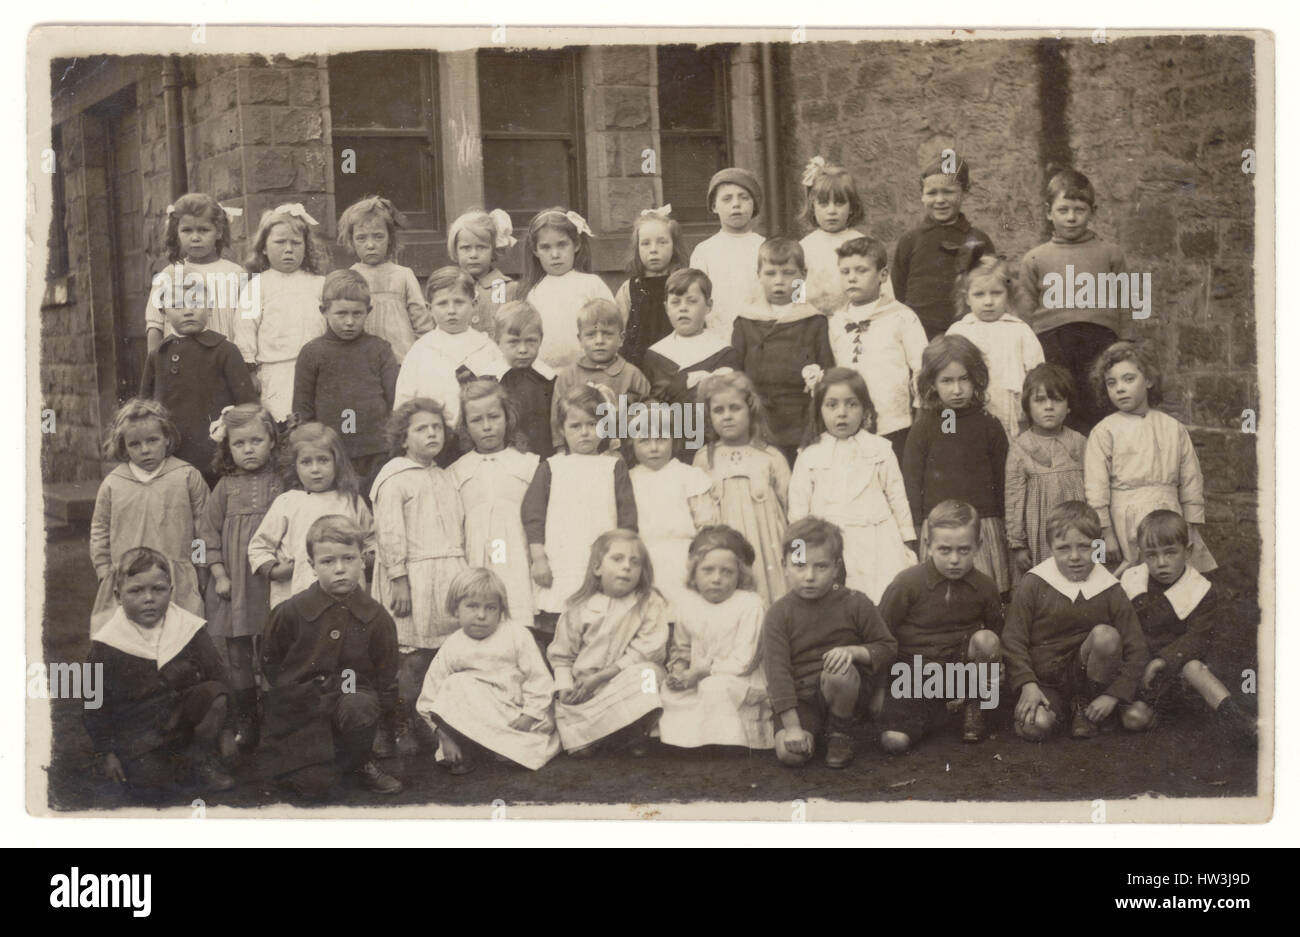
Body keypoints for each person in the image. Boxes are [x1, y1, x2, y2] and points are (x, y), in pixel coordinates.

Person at [257, 515, 402, 796]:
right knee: (315, 787)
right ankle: (312, 762)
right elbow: (270, 662)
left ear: (363, 560)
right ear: (312, 566)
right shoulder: (291, 612)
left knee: (359, 703)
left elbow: (385, 673)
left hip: (351, 702)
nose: (340, 569)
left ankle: (360, 760)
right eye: (327, 562)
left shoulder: (376, 617)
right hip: (301, 711)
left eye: (348, 559)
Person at [84, 548, 235, 792]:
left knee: (215, 693)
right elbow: (93, 704)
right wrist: (106, 752)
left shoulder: (188, 627)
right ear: (118, 596)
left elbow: (220, 677)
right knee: (154, 789)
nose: (148, 598)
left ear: (171, 591)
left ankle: (200, 758)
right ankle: (164, 765)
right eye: (136, 590)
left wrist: (227, 730)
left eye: (158, 589)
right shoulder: (106, 642)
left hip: (180, 719)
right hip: (137, 732)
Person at [369, 398, 468, 755]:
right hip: (413, 577)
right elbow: (390, 532)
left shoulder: (444, 475)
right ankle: (400, 724)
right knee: (410, 656)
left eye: (437, 427)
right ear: (403, 438)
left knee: (440, 654)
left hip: (446, 574)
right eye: (421, 428)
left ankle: (436, 723)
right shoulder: (395, 478)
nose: (431, 434)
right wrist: (399, 578)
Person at [1003, 501, 1148, 741]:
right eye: (1063, 548)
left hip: (1090, 684)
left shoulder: (1109, 588)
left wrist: (1113, 694)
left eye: (1084, 547)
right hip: (1045, 681)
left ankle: (1089, 708)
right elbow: (1012, 640)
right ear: (1050, 547)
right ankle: (1060, 713)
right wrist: (1027, 684)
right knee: (1035, 726)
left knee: (1106, 636)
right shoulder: (1034, 583)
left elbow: (1137, 648)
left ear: (1098, 545)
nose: (1075, 557)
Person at [764, 517, 896, 769]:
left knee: (839, 670)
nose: (809, 576)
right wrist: (792, 728)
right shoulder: (778, 614)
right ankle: (811, 731)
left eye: (821, 566)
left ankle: (840, 733)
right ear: (784, 565)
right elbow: (777, 673)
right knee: (790, 756)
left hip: (845, 693)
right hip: (802, 699)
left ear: (836, 568)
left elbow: (887, 647)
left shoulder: (856, 602)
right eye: (799, 566)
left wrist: (854, 652)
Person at [1119, 510, 1256, 749]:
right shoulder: (1132, 581)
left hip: (1178, 668)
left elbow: (1198, 637)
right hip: (1138, 668)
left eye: (1170, 553)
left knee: (1193, 666)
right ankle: (1157, 711)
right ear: (1141, 555)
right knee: (1134, 720)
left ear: (1188, 552)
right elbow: (1122, 628)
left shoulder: (1200, 589)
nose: (1161, 563)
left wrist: (1163, 660)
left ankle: (1233, 717)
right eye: (1152, 556)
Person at [877, 500, 1004, 751]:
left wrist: (993, 674)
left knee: (986, 640)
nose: (954, 560)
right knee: (894, 742)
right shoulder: (907, 583)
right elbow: (881, 634)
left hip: (961, 673)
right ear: (928, 546)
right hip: (913, 675)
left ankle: (973, 705)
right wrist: (879, 690)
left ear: (978, 546)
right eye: (945, 550)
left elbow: (999, 634)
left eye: (964, 550)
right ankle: (931, 713)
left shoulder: (985, 587)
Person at [1084, 340, 1217, 575]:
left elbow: (1190, 479)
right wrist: (1107, 533)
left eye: (1128, 379)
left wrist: (1190, 523)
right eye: (1111, 383)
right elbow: (1096, 488)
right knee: (1135, 579)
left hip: (1170, 514)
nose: (1120, 388)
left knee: (1176, 577)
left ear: (1148, 381)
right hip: (1126, 519)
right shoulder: (1104, 431)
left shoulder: (1172, 428)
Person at [1019, 167, 1136, 432]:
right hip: (1053, 346)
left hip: (1100, 345)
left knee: (1100, 409)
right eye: (1063, 210)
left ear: (1092, 212)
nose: (1071, 217)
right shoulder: (1035, 258)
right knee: (1060, 408)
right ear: (1049, 212)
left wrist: (1125, 344)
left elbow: (1127, 302)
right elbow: (1025, 313)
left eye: (1079, 210)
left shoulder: (1111, 254)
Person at [522, 385, 637, 648]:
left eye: (592, 424)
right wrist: (538, 558)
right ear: (562, 430)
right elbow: (533, 515)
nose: (585, 432)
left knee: (600, 627)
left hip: (601, 564)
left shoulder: (613, 466)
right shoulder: (551, 467)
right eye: (575, 426)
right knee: (559, 630)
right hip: (561, 561)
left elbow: (627, 519)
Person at [790, 366, 916, 603]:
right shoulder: (809, 455)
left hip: (878, 539)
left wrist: (907, 541)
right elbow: (798, 509)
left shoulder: (880, 449)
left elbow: (897, 496)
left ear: (865, 409)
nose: (842, 413)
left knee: (884, 597)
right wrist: (800, 553)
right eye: (832, 405)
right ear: (819, 410)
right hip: (832, 544)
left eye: (852, 404)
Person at [415, 568, 561, 773]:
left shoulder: (516, 635)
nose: (481, 615)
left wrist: (530, 715)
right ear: (455, 608)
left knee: (519, 747)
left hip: (516, 714)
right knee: (456, 684)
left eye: (490, 608)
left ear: (501, 610)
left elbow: (539, 679)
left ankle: (501, 746)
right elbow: (429, 697)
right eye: (472, 606)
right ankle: (464, 746)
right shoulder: (453, 645)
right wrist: (444, 737)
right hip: (477, 714)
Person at [197, 403, 283, 749]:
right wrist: (218, 573)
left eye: (256, 441)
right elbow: (206, 534)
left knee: (272, 647)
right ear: (228, 448)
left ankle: (275, 715)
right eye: (240, 443)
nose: (248, 449)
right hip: (234, 582)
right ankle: (246, 717)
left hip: (271, 580)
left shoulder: (282, 484)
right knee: (237, 652)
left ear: (273, 441)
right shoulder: (225, 487)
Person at [902, 334, 1012, 593]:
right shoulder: (923, 429)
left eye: (964, 379)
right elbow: (911, 480)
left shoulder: (990, 425)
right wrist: (919, 527)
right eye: (947, 381)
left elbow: (1004, 478)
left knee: (985, 591)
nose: (957, 389)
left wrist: (1005, 522)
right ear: (932, 384)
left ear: (976, 379)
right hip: (939, 528)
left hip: (984, 524)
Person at [548, 530, 670, 757]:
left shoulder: (649, 602)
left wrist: (603, 676)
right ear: (597, 568)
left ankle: (631, 732)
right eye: (617, 559)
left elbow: (647, 649)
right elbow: (562, 656)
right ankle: (600, 735)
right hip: (587, 687)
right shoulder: (578, 607)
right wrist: (565, 687)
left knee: (647, 675)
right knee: (566, 708)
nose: (627, 567)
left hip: (624, 680)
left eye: (635, 562)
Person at [90, 400, 208, 632]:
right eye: (135, 444)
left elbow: (202, 527)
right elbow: (100, 529)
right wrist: (104, 571)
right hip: (129, 579)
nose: (145, 450)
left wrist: (199, 568)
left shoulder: (186, 476)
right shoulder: (114, 483)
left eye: (152, 440)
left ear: (166, 438)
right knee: (130, 645)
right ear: (124, 447)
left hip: (176, 579)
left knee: (179, 642)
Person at [658, 526, 773, 750]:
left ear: (740, 575)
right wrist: (679, 671)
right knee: (669, 690)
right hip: (697, 677)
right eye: (707, 570)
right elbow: (681, 649)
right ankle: (689, 741)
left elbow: (745, 661)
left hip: (740, 679)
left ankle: (725, 741)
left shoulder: (749, 604)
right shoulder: (687, 604)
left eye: (727, 572)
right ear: (694, 573)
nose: (717, 579)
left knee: (714, 688)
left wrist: (700, 672)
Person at [140, 277, 258, 489]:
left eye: (196, 302)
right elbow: (144, 408)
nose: (188, 311)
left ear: (210, 308)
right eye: (177, 305)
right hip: (172, 457)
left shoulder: (225, 351)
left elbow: (247, 404)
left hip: (215, 455)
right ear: (164, 313)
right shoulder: (158, 355)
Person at [292, 269, 398, 497]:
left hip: (376, 452)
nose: (349, 322)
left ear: (368, 312)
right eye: (341, 314)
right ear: (324, 311)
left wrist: (391, 445)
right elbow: (303, 410)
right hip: (332, 456)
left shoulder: (380, 350)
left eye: (357, 314)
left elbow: (394, 402)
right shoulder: (312, 353)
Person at [247, 422, 375, 613]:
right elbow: (258, 547)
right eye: (306, 462)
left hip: (347, 596)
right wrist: (275, 570)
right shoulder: (287, 502)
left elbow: (372, 541)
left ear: (336, 462)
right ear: (295, 466)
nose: (315, 469)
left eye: (323, 460)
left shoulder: (351, 501)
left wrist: (361, 558)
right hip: (297, 594)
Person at [731, 236, 835, 466]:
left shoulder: (813, 321)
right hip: (759, 419)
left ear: (803, 275)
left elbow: (827, 373)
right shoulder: (745, 321)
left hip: (801, 419)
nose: (779, 281)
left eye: (788, 273)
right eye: (770, 273)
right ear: (758, 275)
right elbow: (735, 376)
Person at [692, 370, 791, 608]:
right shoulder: (704, 459)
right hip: (725, 553)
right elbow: (700, 513)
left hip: (769, 548)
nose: (727, 416)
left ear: (750, 410)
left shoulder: (770, 457)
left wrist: (796, 562)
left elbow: (793, 512)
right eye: (719, 410)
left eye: (735, 408)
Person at [827, 236, 927, 465]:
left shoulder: (901, 316)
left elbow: (922, 366)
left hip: (894, 421)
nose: (852, 277)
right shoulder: (837, 321)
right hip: (850, 420)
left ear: (882, 275)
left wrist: (920, 409)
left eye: (861, 270)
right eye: (845, 272)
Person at [451, 380, 541, 633]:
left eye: (494, 417)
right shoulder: (456, 471)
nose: (487, 426)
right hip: (476, 559)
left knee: (517, 623)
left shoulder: (529, 464)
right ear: (465, 426)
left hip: (518, 557)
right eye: (476, 420)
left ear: (507, 417)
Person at [234, 203, 327, 427]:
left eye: (296, 243)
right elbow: (245, 331)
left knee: (313, 424)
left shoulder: (320, 284)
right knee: (281, 424)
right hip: (276, 371)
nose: (288, 249)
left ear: (306, 247)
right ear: (264, 247)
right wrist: (250, 372)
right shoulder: (257, 286)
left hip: (317, 370)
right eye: (280, 242)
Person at [640, 268, 742, 461]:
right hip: (668, 449)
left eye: (692, 301)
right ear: (666, 307)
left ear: (709, 306)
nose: (683, 308)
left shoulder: (723, 353)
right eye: (675, 302)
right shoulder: (655, 355)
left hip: (711, 445)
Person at [892, 153, 996, 339]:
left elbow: (991, 283)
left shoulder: (978, 240)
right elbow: (898, 291)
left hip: (967, 331)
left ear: (964, 192)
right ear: (922, 196)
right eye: (932, 193)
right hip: (919, 333)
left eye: (948, 192)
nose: (940, 200)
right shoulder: (910, 240)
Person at [394, 266, 507, 435]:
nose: (451, 311)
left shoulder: (486, 347)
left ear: (474, 304)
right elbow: (404, 403)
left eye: (459, 302)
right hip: (434, 439)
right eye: (442, 304)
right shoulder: (421, 351)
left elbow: (502, 396)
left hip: (481, 436)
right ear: (429, 308)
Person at [946, 250, 1045, 441]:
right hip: (969, 420)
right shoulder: (959, 332)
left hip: (1015, 422)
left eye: (996, 293)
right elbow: (945, 381)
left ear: (1007, 295)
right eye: (979, 294)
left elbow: (1038, 376)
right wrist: (947, 431)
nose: (988, 302)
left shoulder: (1020, 331)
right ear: (967, 298)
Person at [626, 408, 717, 611]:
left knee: (685, 610)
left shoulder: (688, 475)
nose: (654, 448)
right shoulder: (629, 479)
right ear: (632, 444)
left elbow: (706, 522)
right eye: (644, 441)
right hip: (644, 556)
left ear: (674, 441)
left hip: (683, 556)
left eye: (661, 439)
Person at [1005, 364, 1087, 578]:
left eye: (1057, 399)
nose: (1049, 407)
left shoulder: (1080, 443)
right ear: (1027, 406)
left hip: (1080, 532)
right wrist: (1018, 544)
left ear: (1069, 405)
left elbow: (1095, 493)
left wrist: (1099, 542)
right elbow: (1014, 498)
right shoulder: (1020, 447)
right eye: (1040, 400)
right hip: (1039, 532)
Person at [145, 192, 249, 356]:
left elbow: (247, 325)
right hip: (181, 365)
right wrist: (155, 368)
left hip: (224, 363)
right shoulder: (169, 275)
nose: (195, 237)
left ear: (219, 232)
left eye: (203, 230)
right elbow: (154, 325)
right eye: (186, 230)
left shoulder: (236, 274)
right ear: (176, 233)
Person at [337, 194, 431, 362]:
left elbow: (421, 321)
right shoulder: (350, 277)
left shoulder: (403, 275)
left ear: (390, 238)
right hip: (363, 361)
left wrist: (421, 357)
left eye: (378, 236)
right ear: (352, 241)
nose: (371, 245)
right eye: (361, 238)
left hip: (402, 359)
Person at [518, 207, 614, 369]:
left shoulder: (591, 284)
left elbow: (611, 324)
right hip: (545, 373)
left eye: (562, 245)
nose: (555, 254)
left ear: (576, 245)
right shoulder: (533, 292)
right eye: (546, 247)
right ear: (535, 251)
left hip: (589, 369)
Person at [550, 297, 650, 450]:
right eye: (591, 335)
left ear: (621, 339)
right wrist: (560, 448)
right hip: (578, 452)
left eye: (608, 334)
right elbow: (557, 418)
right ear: (580, 339)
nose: (599, 341)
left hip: (622, 453)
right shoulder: (568, 376)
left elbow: (649, 416)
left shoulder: (632, 375)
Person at [687, 167, 766, 341]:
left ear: (754, 204)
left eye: (744, 197)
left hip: (762, 337)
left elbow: (797, 289)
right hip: (717, 337)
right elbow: (694, 297)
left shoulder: (766, 247)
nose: (736, 204)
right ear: (714, 206)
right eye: (727, 199)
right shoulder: (704, 251)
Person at [616, 205, 688, 367]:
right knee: (624, 393)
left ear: (674, 247)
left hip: (676, 364)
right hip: (636, 366)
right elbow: (618, 331)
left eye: (662, 242)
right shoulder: (628, 289)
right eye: (646, 243)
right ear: (637, 248)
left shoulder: (683, 284)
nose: (654, 250)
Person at [797, 157, 870, 314]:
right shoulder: (804, 247)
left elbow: (879, 290)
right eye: (823, 204)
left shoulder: (863, 244)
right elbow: (796, 293)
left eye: (839, 203)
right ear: (813, 206)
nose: (831, 211)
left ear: (851, 207)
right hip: (813, 325)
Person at [494, 300, 557, 458]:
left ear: (540, 339)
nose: (523, 350)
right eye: (513, 342)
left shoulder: (550, 380)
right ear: (498, 342)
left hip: (542, 454)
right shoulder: (491, 380)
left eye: (530, 341)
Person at [448, 207, 518, 339]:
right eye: (465, 248)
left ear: (494, 249)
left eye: (481, 247)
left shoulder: (508, 289)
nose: (473, 255)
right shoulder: (448, 287)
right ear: (455, 251)